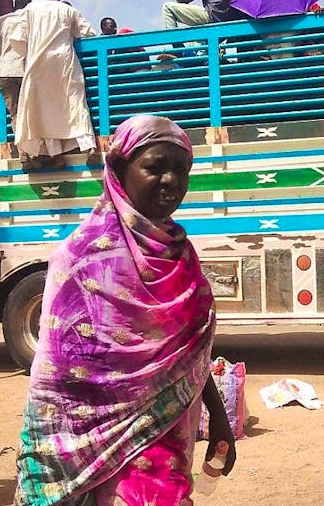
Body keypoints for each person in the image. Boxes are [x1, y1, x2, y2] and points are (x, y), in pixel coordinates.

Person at [15, 115, 237, 506]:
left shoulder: (180, 255)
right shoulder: (79, 259)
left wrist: (217, 417)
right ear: (119, 169)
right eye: (154, 167)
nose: (171, 181)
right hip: (90, 447)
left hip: (167, 436)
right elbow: (54, 382)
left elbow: (188, 355)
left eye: (181, 170)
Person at [15, 0, 97, 168]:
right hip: (65, 61)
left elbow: (18, 39)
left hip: (38, 63)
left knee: (44, 110)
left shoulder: (31, 8)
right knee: (75, 103)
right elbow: (89, 32)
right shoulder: (68, 10)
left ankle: (53, 152)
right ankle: (89, 145)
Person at [0, 0, 32, 147]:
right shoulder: (30, 21)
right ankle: (34, 152)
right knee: (29, 113)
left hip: (4, 72)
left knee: (15, 114)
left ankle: (23, 153)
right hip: (24, 71)